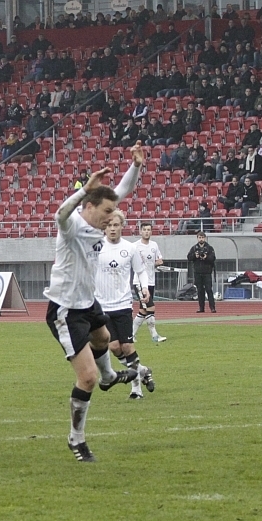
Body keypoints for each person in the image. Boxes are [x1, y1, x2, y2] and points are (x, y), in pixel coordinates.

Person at [44, 145, 144, 463]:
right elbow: (59, 215)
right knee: (86, 378)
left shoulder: (100, 218)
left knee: (103, 338)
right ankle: (76, 439)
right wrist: (84, 190)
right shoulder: (73, 225)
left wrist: (136, 166)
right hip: (65, 309)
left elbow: (122, 191)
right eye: (106, 213)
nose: (111, 219)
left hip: (88, 302)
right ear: (89, 206)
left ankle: (109, 376)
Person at [96, 211, 156, 400]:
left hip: (122, 304)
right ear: (104, 227)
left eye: (116, 225)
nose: (112, 229)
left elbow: (141, 271)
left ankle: (136, 389)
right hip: (102, 306)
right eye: (109, 225)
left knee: (128, 346)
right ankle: (143, 370)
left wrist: (144, 287)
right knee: (114, 347)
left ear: (122, 226)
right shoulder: (96, 247)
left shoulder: (130, 248)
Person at [131, 221, 167, 343]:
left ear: (151, 232)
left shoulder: (154, 245)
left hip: (151, 281)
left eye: (148, 230)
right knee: (150, 307)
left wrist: (158, 262)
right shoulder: (134, 246)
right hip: (139, 283)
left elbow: (159, 259)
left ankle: (131, 335)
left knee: (143, 311)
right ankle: (154, 336)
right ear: (140, 231)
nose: (146, 232)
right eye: (144, 230)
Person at [187, 231, 217, 312]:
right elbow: (189, 257)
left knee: (209, 290)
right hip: (197, 272)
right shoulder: (194, 248)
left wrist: (206, 257)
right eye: (199, 237)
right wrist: (195, 256)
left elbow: (213, 258)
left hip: (207, 272)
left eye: (202, 237)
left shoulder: (209, 248)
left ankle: (212, 307)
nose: (201, 239)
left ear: (205, 238)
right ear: (197, 238)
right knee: (200, 291)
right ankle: (201, 308)